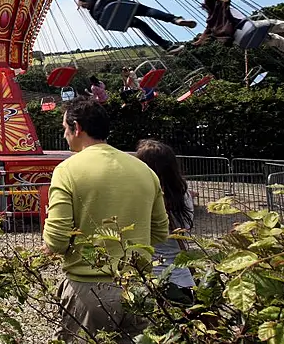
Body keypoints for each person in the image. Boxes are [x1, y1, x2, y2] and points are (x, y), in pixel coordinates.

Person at [43, 97, 169, 343]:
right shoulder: (145, 171)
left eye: (65, 129)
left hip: (89, 288)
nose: (65, 135)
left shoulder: (67, 170)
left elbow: (56, 241)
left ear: (77, 128)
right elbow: (160, 231)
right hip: (137, 286)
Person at [77, 0, 195, 54]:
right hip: (113, 5)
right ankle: (175, 19)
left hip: (106, 19)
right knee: (147, 11)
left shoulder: (83, 1)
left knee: (140, 25)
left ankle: (166, 46)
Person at [135, 139, 195, 305]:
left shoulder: (143, 198)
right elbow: (187, 227)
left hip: (153, 279)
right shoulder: (183, 194)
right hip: (183, 278)